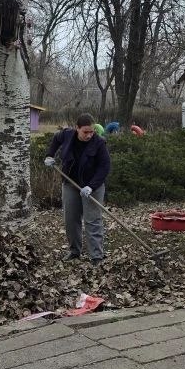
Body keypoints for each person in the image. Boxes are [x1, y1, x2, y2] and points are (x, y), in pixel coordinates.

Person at [44, 113, 111, 264]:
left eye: (92, 131)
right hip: (70, 183)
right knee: (71, 219)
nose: (89, 135)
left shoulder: (99, 143)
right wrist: (50, 155)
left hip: (92, 186)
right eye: (85, 132)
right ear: (77, 128)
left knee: (92, 220)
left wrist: (91, 186)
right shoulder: (67, 135)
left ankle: (96, 256)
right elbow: (56, 139)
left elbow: (104, 167)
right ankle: (74, 251)